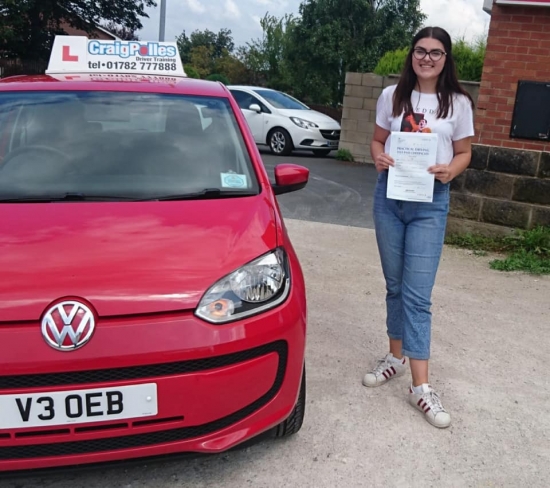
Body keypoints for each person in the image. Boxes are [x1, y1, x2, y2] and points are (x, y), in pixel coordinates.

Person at [362, 26, 475, 429]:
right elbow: (377, 142)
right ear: (412, 55)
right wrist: (379, 158)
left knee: (417, 294)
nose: (427, 58)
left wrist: (450, 171)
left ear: (446, 59)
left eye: (436, 52)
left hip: (430, 203)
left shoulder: (458, 103)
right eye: (420, 50)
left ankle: (420, 387)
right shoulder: (391, 97)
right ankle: (395, 356)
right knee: (394, 285)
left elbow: (464, 152)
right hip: (389, 199)